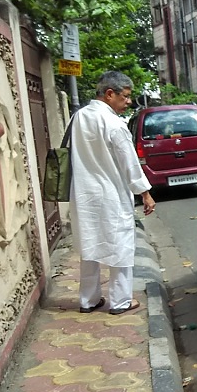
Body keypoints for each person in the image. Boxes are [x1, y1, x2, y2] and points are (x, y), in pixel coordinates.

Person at [69, 71, 156, 315]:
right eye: (126, 97)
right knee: (120, 247)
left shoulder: (78, 117)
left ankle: (88, 300)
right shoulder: (114, 124)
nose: (128, 102)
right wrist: (145, 193)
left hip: (85, 194)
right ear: (110, 94)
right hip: (111, 194)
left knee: (90, 246)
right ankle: (120, 301)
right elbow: (130, 164)